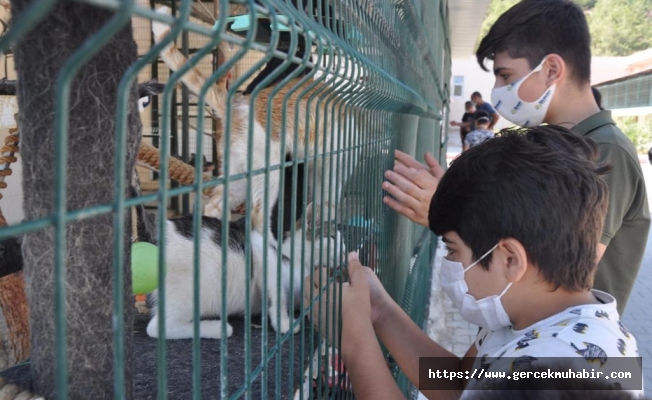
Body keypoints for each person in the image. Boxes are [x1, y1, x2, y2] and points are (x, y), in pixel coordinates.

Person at [307, 127, 640, 399]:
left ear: (510, 259)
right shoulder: (527, 315)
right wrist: (378, 310)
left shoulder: (562, 371)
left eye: (453, 250)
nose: (450, 263)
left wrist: (356, 341)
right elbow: (458, 384)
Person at [384, 0, 650, 315]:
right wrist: (461, 197)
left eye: (506, 76)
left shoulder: (606, 152)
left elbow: (550, 273)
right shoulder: (554, 145)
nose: (497, 91)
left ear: (551, 69)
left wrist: (452, 215)